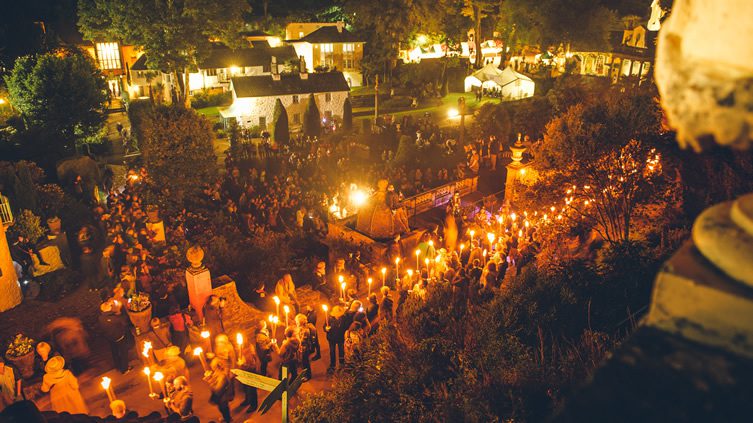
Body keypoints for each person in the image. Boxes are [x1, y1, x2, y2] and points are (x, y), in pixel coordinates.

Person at [98, 302, 131, 374]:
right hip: (119, 337)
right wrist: (119, 311)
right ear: (108, 308)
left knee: (115, 353)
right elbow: (123, 321)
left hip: (110, 338)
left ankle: (118, 366)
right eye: (110, 306)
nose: (111, 306)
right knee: (123, 353)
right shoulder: (113, 318)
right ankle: (125, 369)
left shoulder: (100, 318)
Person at [204, 358, 234, 423]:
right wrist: (210, 377)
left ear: (216, 366)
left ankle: (228, 419)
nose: (211, 367)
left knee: (224, 409)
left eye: (213, 366)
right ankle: (225, 417)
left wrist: (210, 382)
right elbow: (214, 380)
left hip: (223, 397)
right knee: (221, 408)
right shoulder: (216, 372)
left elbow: (218, 390)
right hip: (220, 398)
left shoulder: (222, 376)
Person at [237, 338, 260, 413]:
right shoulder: (241, 349)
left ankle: (253, 405)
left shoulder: (249, 351)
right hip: (244, 372)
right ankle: (247, 400)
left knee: (251, 389)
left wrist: (243, 364)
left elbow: (252, 366)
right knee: (245, 388)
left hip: (250, 372)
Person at [325, 306, 346, 373]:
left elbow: (346, 326)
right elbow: (324, 326)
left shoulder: (344, 318)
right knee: (332, 352)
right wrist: (326, 329)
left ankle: (341, 365)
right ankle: (332, 365)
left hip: (341, 338)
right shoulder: (329, 318)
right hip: (332, 338)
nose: (339, 316)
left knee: (341, 351)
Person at [294, 314, 316, 381]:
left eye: (297, 321)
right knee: (303, 361)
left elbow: (302, 341)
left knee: (305, 362)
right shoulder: (300, 328)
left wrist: (296, 338)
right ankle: (304, 373)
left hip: (305, 348)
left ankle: (308, 375)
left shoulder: (305, 330)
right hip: (302, 348)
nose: (296, 323)